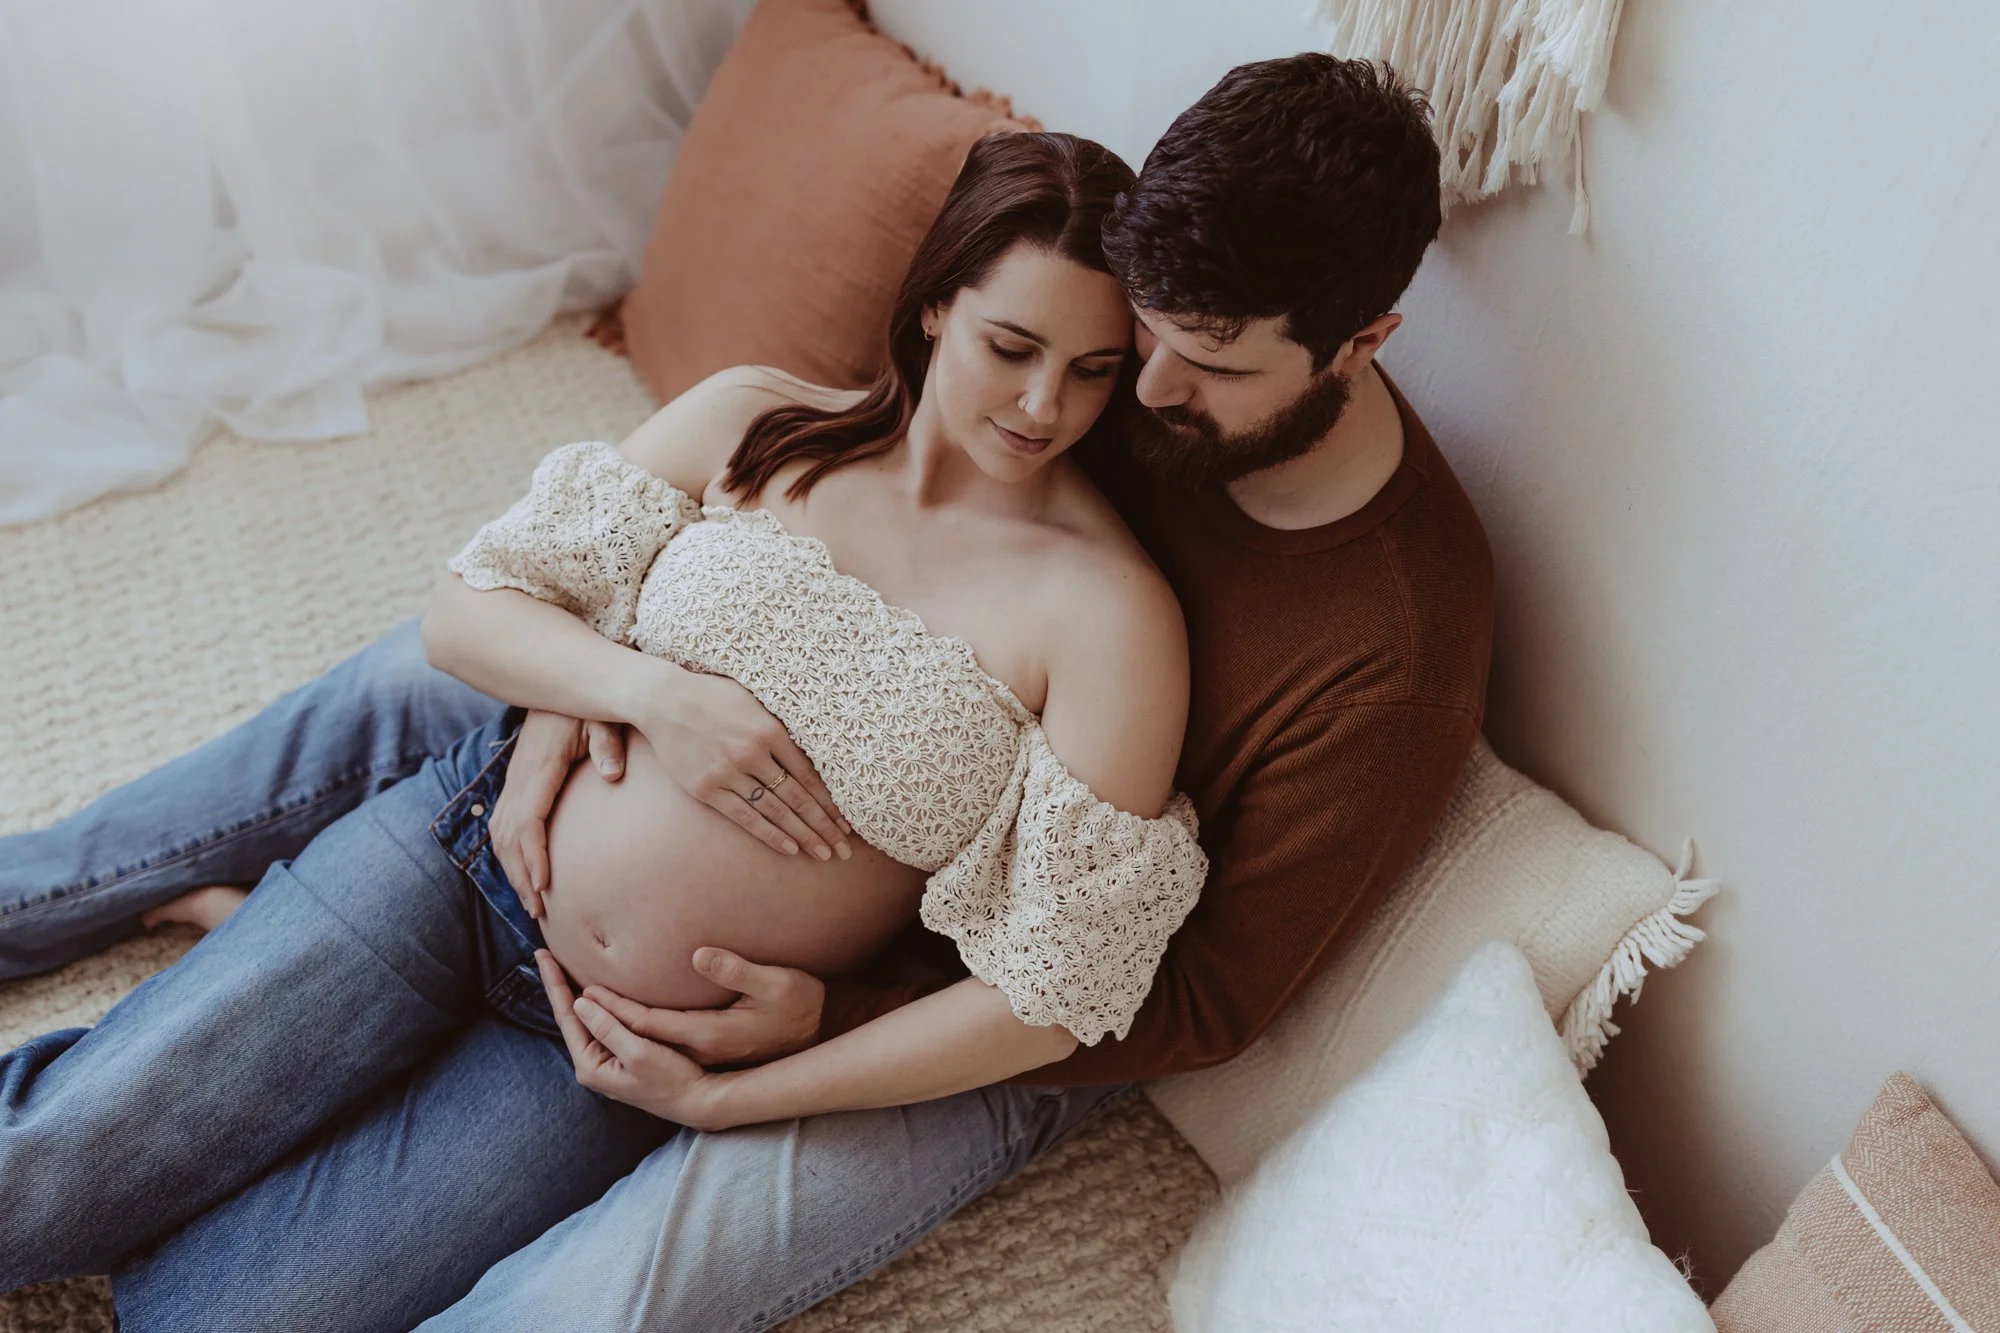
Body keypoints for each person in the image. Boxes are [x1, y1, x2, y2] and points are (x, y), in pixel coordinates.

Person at [0, 54, 1493, 1332]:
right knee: (57, 1162)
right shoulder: (963, 382)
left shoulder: (1345, 636)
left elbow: (1141, 992)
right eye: (1113, 347)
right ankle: (153, 930)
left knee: (221, 1310)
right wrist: (611, 697)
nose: (1103, 405)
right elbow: (562, 580)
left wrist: (805, 1037)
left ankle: (252, 988)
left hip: (658, 1029)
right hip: (468, 847)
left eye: (1168, 366)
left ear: (1359, 346)